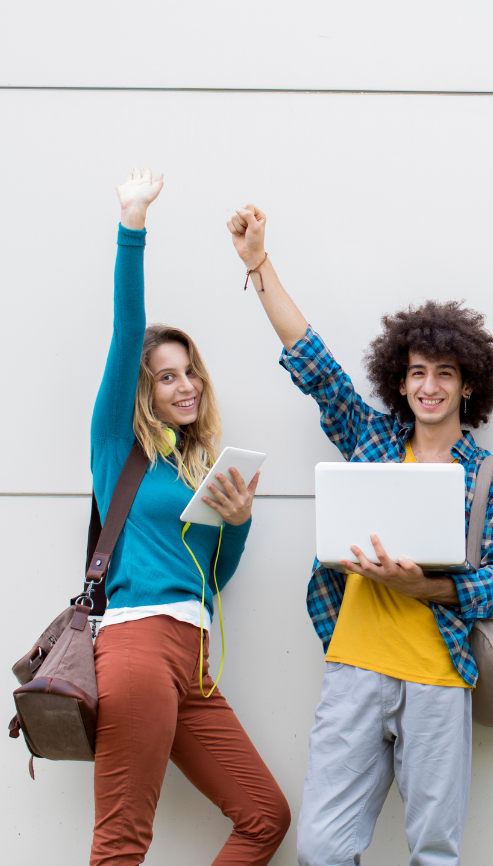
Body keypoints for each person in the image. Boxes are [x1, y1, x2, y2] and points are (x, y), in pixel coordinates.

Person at [226, 202, 493, 866]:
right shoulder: (370, 440)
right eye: (418, 372)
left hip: (439, 678)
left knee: (434, 853)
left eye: (444, 373)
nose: (430, 385)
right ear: (401, 379)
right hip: (355, 669)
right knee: (322, 850)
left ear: (468, 385)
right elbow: (313, 363)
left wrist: (421, 585)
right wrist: (258, 266)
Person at [90, 169, 289, 866]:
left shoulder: (198, 469)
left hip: (194, 660)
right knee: (122, 842)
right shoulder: (119, 447)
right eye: (167, 375)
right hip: (138, 648)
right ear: (143, 390)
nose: (186, 384)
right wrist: (133, 227)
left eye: (191, 372)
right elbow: (126, 331)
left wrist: (236, 523)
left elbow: (213, 580)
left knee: (264, 817)